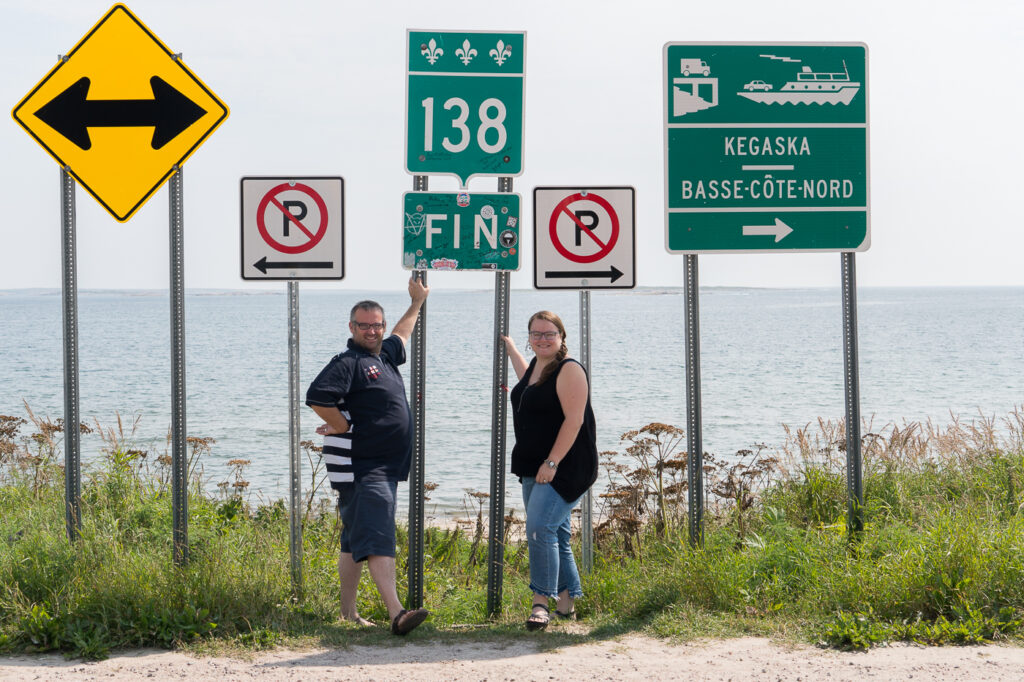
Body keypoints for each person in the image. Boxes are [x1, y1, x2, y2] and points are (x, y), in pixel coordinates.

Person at [305, 276, 430, 636]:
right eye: (365, 326)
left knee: (353, 539)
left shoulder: (385, 355)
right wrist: (340, 424)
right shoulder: (348, 362)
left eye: (377, 325)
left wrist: (417, 302)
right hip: (364, 466)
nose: (372, 331)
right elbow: (317, 396)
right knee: (378, 536)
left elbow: (403, 334)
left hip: (382, 466)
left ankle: (347, 614)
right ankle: (397, 613)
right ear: (352, 327)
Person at [501, 311, 598, 631]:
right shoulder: (536, 367)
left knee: (539, 529)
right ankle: (567, 608)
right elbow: (526, 381)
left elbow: (574, 421)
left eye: (549, 333)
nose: (542, 339)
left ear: (562, 336)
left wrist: (552, 462)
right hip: (534, 464)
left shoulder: (570, 369)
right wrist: (513, 349)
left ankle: (540, 603)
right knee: (555, 533)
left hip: (564, 466)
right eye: (535, 334)